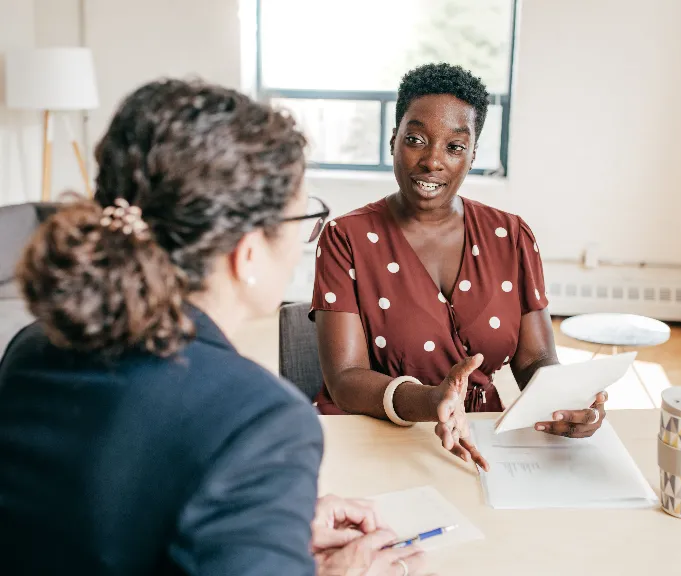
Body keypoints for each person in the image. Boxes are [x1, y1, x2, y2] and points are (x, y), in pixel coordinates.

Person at [0, 79, 425, 576]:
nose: (303, 245)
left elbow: (92, 520)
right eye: (302, 220)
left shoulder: (33, 347)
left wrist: (256, 526)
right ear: (246, 254)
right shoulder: (261, 422)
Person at [311, 63, 608, 468]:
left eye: (454, 146)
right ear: (393, 140)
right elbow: (344, 379)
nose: (433, 160)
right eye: (416, 139)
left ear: (471, 156)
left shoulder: (512, 236)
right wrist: (433, 400)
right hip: (372, 436)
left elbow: (535, 359)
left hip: (480, 436)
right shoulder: (346, 238)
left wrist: (567, 403)